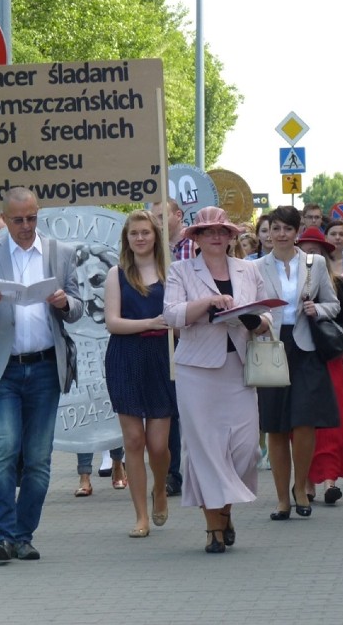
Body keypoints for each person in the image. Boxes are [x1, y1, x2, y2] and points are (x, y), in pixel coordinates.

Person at [0, 187, 83, 563]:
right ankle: (4, 534)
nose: (26, 227)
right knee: (4, 450)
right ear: (5, 220)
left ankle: (24, 534)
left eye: (32, 218)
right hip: (3, 370)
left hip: (44, 367)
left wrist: (63, 302)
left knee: (39, 459)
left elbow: (78, 309)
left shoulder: (60, 252)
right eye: (18, 220)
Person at [163, 206, 270, 554]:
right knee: (206, 451)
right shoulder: (180, 270)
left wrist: (256, 321)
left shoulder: (248, 269)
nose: (215, 236)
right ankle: (213, 528)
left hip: (239, 367)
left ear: (230, 236)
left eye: (222, 230)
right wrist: (207, 303)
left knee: (245, 450)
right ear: (195, 237)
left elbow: (267, 314)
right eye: (207, 231)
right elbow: (172, 315)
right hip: (197, 370)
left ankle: (224, 512)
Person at [255, 207, 340, 520]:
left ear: (296, 232)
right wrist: (256, 321)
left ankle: (301, 486)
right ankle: (281, 499)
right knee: (276, 425)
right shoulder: (256, 267)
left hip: (305, 346)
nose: (280, 234)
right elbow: (248, 308)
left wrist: (317, 309)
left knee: (305, 421)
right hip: (272, 346)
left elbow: (334, 303)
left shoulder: (314, 263)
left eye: (287, 229)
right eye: (275, 228)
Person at [104, 209, 178, 537]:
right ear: (127, 239)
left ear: (155, 235)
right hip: (126, 356)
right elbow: (112, 322)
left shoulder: (172, 272)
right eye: (134, 233)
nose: (140, 238)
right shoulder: (116, 274)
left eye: (145, 232)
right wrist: (148, 323)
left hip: (163, 358)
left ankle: (160, 488)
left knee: (158, 445)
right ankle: (141, 516)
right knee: (134, 440)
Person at [295, 226, 343, 505]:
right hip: (297, 356)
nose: (309, 255)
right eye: (304, 250)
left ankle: (330, 479)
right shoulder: (288, 284)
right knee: (302, 420)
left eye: (315, 251)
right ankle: (306, 482)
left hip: (328, 358)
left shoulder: (339, 285)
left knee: (332, 419)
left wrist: (321, 316)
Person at [154, 198, 191, 499]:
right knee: (169, 410)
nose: (155, 223)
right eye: (152, 217)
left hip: (190, 334)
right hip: (159, 335)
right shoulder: (149, 251)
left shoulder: (194, 246)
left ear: (177, 216)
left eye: (161, 216)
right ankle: (171, 474)